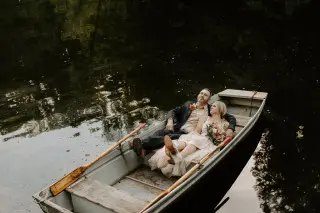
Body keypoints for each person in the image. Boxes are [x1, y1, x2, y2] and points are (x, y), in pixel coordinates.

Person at [131, 88, 236, 157]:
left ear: (209, 99)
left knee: (170, 137)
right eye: (201, 93)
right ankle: (143, 148)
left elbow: (230, 117)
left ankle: (140, 144)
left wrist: (231, 128)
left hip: (188, 133)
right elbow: (172, 111)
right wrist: (170, 121)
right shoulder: (188, 104)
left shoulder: (211, 109)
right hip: (177, 127)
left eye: (205, 95)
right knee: (160, 132)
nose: (202, 95)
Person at [148, 101, 230, 177]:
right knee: (187, 140)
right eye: (211, 106)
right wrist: (194, 136)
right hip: (200, 137)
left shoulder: (225, 123)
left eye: (214, 106)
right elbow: (198, 130)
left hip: (209, 143)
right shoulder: (205, 117)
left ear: (220, 109)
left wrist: (218, 134)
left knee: (197, 140)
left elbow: (223, 139)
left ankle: (178, 156)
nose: (211, 107)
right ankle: (173, 149)